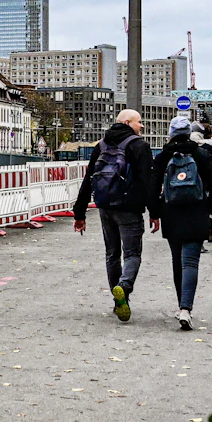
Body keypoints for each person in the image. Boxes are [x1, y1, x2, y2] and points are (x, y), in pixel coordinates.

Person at [72, 108, 159, 321]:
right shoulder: (139, 146)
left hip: (105, 206)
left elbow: (89, 179)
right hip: (129, 208)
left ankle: (118, 300)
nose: (142, 126)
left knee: (112, 254)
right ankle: (124, 286)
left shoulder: (101, 146)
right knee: (132, 254)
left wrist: (79, 213)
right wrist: (154, 212)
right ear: (128, 122)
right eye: (139, 122)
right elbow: (147, 182)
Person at [152, 117, 212, 330]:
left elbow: (152, 185)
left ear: (171, 133)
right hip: (196, 211)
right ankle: (186, 309)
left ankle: (180, 304)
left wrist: (155, 212)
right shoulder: (202, 153)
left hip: (171, 213)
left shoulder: (163, 156)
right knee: (190, 261)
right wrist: (208, 209)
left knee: (176, 260)